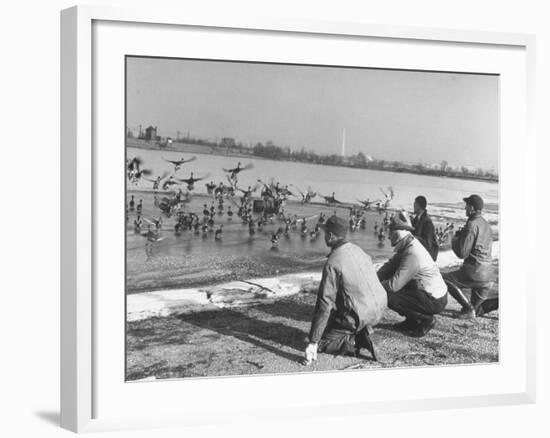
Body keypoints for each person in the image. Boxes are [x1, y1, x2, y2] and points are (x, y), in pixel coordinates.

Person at [304, 216, 387, 364]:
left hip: (360, 315)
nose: (324, 236)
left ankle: (356, 340)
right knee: (332, 321)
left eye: (325, 233)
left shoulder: (333, 262)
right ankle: (362, 329)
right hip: (379, 310)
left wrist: (313, 341)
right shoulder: (359, 250)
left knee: (322, 342)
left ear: (330, 235)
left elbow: (325, 303)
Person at [377, 211, 448, 337]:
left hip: (434, 300)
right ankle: (411, 321)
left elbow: (394, 285)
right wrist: (374, 278)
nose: (388, 237)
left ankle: (426, 320)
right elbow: (390, 266)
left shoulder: (412, 253)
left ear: (397, 234)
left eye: (391, 233)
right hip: (435, 294)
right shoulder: (410, 244)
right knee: (396, 283)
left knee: (390, 296)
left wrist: (376, 286)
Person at [443, 194, 496, 318]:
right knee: (476, 311)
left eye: (466, 206)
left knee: (445, 279)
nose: (465, 208)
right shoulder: (486, 225)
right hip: (488, 275)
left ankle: (467, 308)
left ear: (472, 208)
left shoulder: (471, 224)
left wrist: (455, 239)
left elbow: (462, 253)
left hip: (474, 272)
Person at [411, 195, 439, 261]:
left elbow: (428, 244)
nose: (413, 206)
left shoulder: (427, 222)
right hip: (418, 254)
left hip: (426, 258)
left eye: (414, 204)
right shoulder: (416, 219)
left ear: (418, 205)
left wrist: (413, 237)